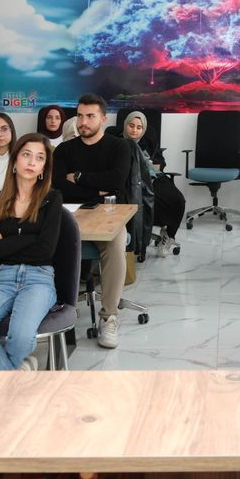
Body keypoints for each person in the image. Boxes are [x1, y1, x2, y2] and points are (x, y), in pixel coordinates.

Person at [0, 133, 62, 371]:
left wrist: (6, 240)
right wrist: (29, 238)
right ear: (15, 160)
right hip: (2, 277)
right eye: (26, 154)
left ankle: (10, 374)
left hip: (39, 278)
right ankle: (17, 371)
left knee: (21, 338)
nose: (32, 162)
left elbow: (45, 250)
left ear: (43, 167)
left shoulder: (52, 199)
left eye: (39, 158)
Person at [52, 93, 131, 349]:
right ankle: (58, 308)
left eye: (90, 116)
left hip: (108, 213)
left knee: (115, 246)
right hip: (69, 214)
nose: (83, 122)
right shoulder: (64, 150)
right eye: (80, 116)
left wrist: (78, 177)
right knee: (45, 240)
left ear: (103, 119)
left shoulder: (119, 147)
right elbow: (58, 187)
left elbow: (117, 181)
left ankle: (109, 317)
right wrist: (97, 187)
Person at [123, 111, 185, 255]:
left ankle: (169, 234)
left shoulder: (148, 142)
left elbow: (161, 162)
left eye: (139, 127)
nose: (134, 130)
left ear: (143, 129)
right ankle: (142, 235)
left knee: (177, 200)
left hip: (152, 177)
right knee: (142, 200)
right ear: (125, 125)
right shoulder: (117, 141)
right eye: (131, 126)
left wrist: (151, 164)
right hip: (129, 181)